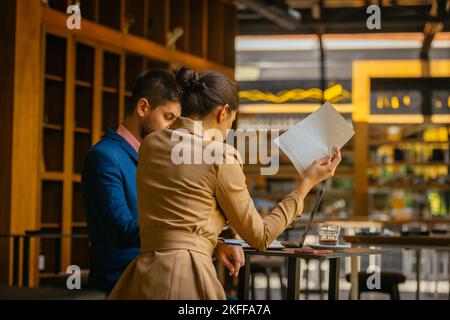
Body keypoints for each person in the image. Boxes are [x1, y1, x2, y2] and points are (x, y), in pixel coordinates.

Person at [108, 66, 341, 299]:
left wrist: (212, 242)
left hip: (143, 275)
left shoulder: (150, 145)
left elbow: (179, 215)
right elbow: (260, 235)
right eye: (232, 120)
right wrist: (305, 185)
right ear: (223, 112)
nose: (229, 129)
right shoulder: (219, 155)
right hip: (184, 277)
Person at [82, 69, 244, 294]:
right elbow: (121, 230)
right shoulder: (105, 157)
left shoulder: (164, 157)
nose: (172, 128)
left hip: (160, 276)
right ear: (142, 108)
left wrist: (209, 244)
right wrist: (192, 240)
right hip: (123, 279)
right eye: (168, 118)